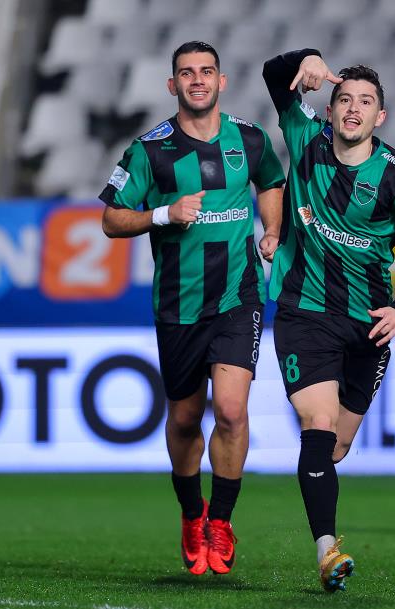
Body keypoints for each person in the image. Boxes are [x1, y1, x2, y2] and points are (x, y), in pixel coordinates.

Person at [262, 49, 395, 591]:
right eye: (344, 99)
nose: (353, 108)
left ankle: (323, 507)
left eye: (365, 102)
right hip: (304, 312)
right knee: (317, 426)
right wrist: (307, 60)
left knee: (338, 446)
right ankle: (327, 551)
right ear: (331, 107)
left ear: (379, 117)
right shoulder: (306, 137)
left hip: (368, 324)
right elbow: (274, 75)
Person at [100, 41, 285, 576]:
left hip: (238, 296)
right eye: (186, 73)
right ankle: (191, 513)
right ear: (172, 85)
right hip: (178, 303)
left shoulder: (250, 138)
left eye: (207, 71)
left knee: (230, 410)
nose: (197, 80)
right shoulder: (149, 150)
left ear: (222, 81)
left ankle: (221, 521)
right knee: (184, 418)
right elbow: (111, 219)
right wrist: (163, 213)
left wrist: (272, 229)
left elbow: (271, 181)